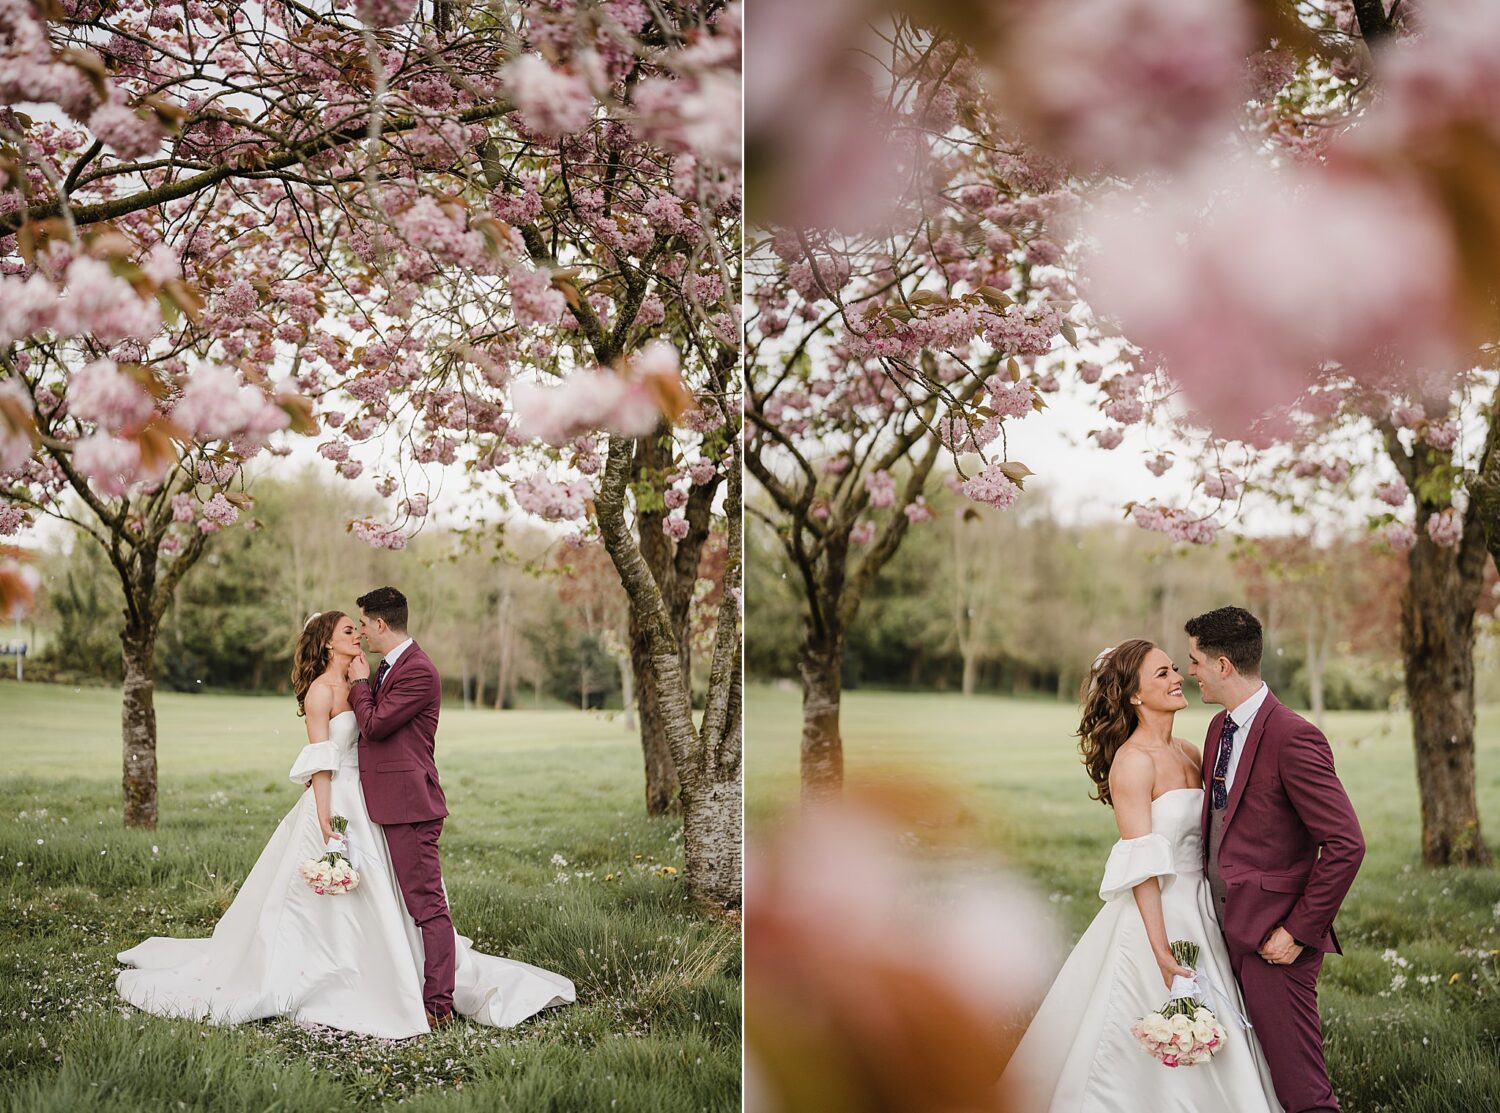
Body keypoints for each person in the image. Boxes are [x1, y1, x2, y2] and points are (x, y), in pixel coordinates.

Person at [116, 605, 575, 1038]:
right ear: (329, 644)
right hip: (337, 799)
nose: (358, 635)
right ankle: (330, 973)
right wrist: (326, 822)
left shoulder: (367, 680)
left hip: (375, 801)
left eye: (359, 628)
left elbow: (377, 730)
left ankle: (401, 970)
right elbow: (321, 762)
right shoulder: (320, 691)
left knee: (386, 888)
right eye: (348, 631)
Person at [1000, 638, 1280, 1112]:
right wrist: (1161, 949)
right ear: (1134, 695)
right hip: (1159, 913)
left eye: (1175, 668)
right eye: (1162, 675)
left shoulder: (1193, 752)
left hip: (1205, 911)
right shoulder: (1132, 763)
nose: (1177, 679)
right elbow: (1143, 864)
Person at [1186, 606, 1364, 1113]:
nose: (1190, 671)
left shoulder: (1294, 736)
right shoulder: (1219, 728)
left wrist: (1298, 932)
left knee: (1302, 1091)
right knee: (1252, 1084)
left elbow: (1347, 844)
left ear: (1223, 666)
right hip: (1221, 934)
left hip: (1273, 942)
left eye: (1196, 661)